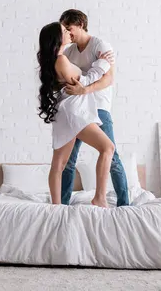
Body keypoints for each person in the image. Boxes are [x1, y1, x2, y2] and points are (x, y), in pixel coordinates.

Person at [37, 21, 116, 208]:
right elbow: (85, 80)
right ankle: (99, 198)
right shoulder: (62, 60)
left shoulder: (56, 60)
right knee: (108, 148)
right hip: (75, 112)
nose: (68, 32)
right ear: (58, 37)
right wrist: (104, 62)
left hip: (65, 112)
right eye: (64, 31)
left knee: (59, 163)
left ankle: (57, 207)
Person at [59, 9, 129, 207]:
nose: (67, 33)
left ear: (80, 24)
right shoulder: (70, 52)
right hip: (77, 110)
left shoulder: (100, 45)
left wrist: (85, 90)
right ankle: (63, 204)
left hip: (98, 107)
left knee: (111, 154)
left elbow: (109, 78)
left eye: (69, 29)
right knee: (69, 159)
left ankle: (124, 204)